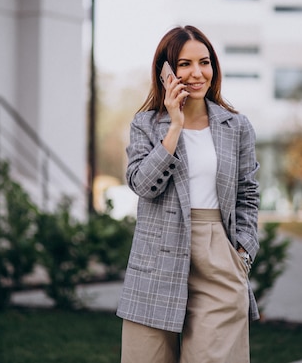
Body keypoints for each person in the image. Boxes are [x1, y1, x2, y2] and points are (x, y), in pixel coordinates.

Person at [117, 25, 260, 363]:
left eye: (205, 62)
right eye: (184, 64)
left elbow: (248, 194)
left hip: (218, 257)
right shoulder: (146, 124)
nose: (197, 73)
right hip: (156, 258)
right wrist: (175, 125)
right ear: (166, 71)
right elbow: (142, 184)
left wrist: (243, 252)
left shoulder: (237, 127)